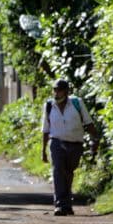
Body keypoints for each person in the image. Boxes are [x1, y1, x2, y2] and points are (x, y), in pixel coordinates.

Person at [41, 79, 99, 216]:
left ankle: (67, 204)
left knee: (68, 172)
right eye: (54, 90)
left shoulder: (76, 103)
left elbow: (88, 122)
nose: (56, 92)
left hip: (75, 143)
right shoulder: (49, 105)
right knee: (58, 171)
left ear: (66, 91)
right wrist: (43, 150)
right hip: (57, 142)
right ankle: (60, 205)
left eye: (59, 90)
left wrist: (95, 138)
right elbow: (45, 129)